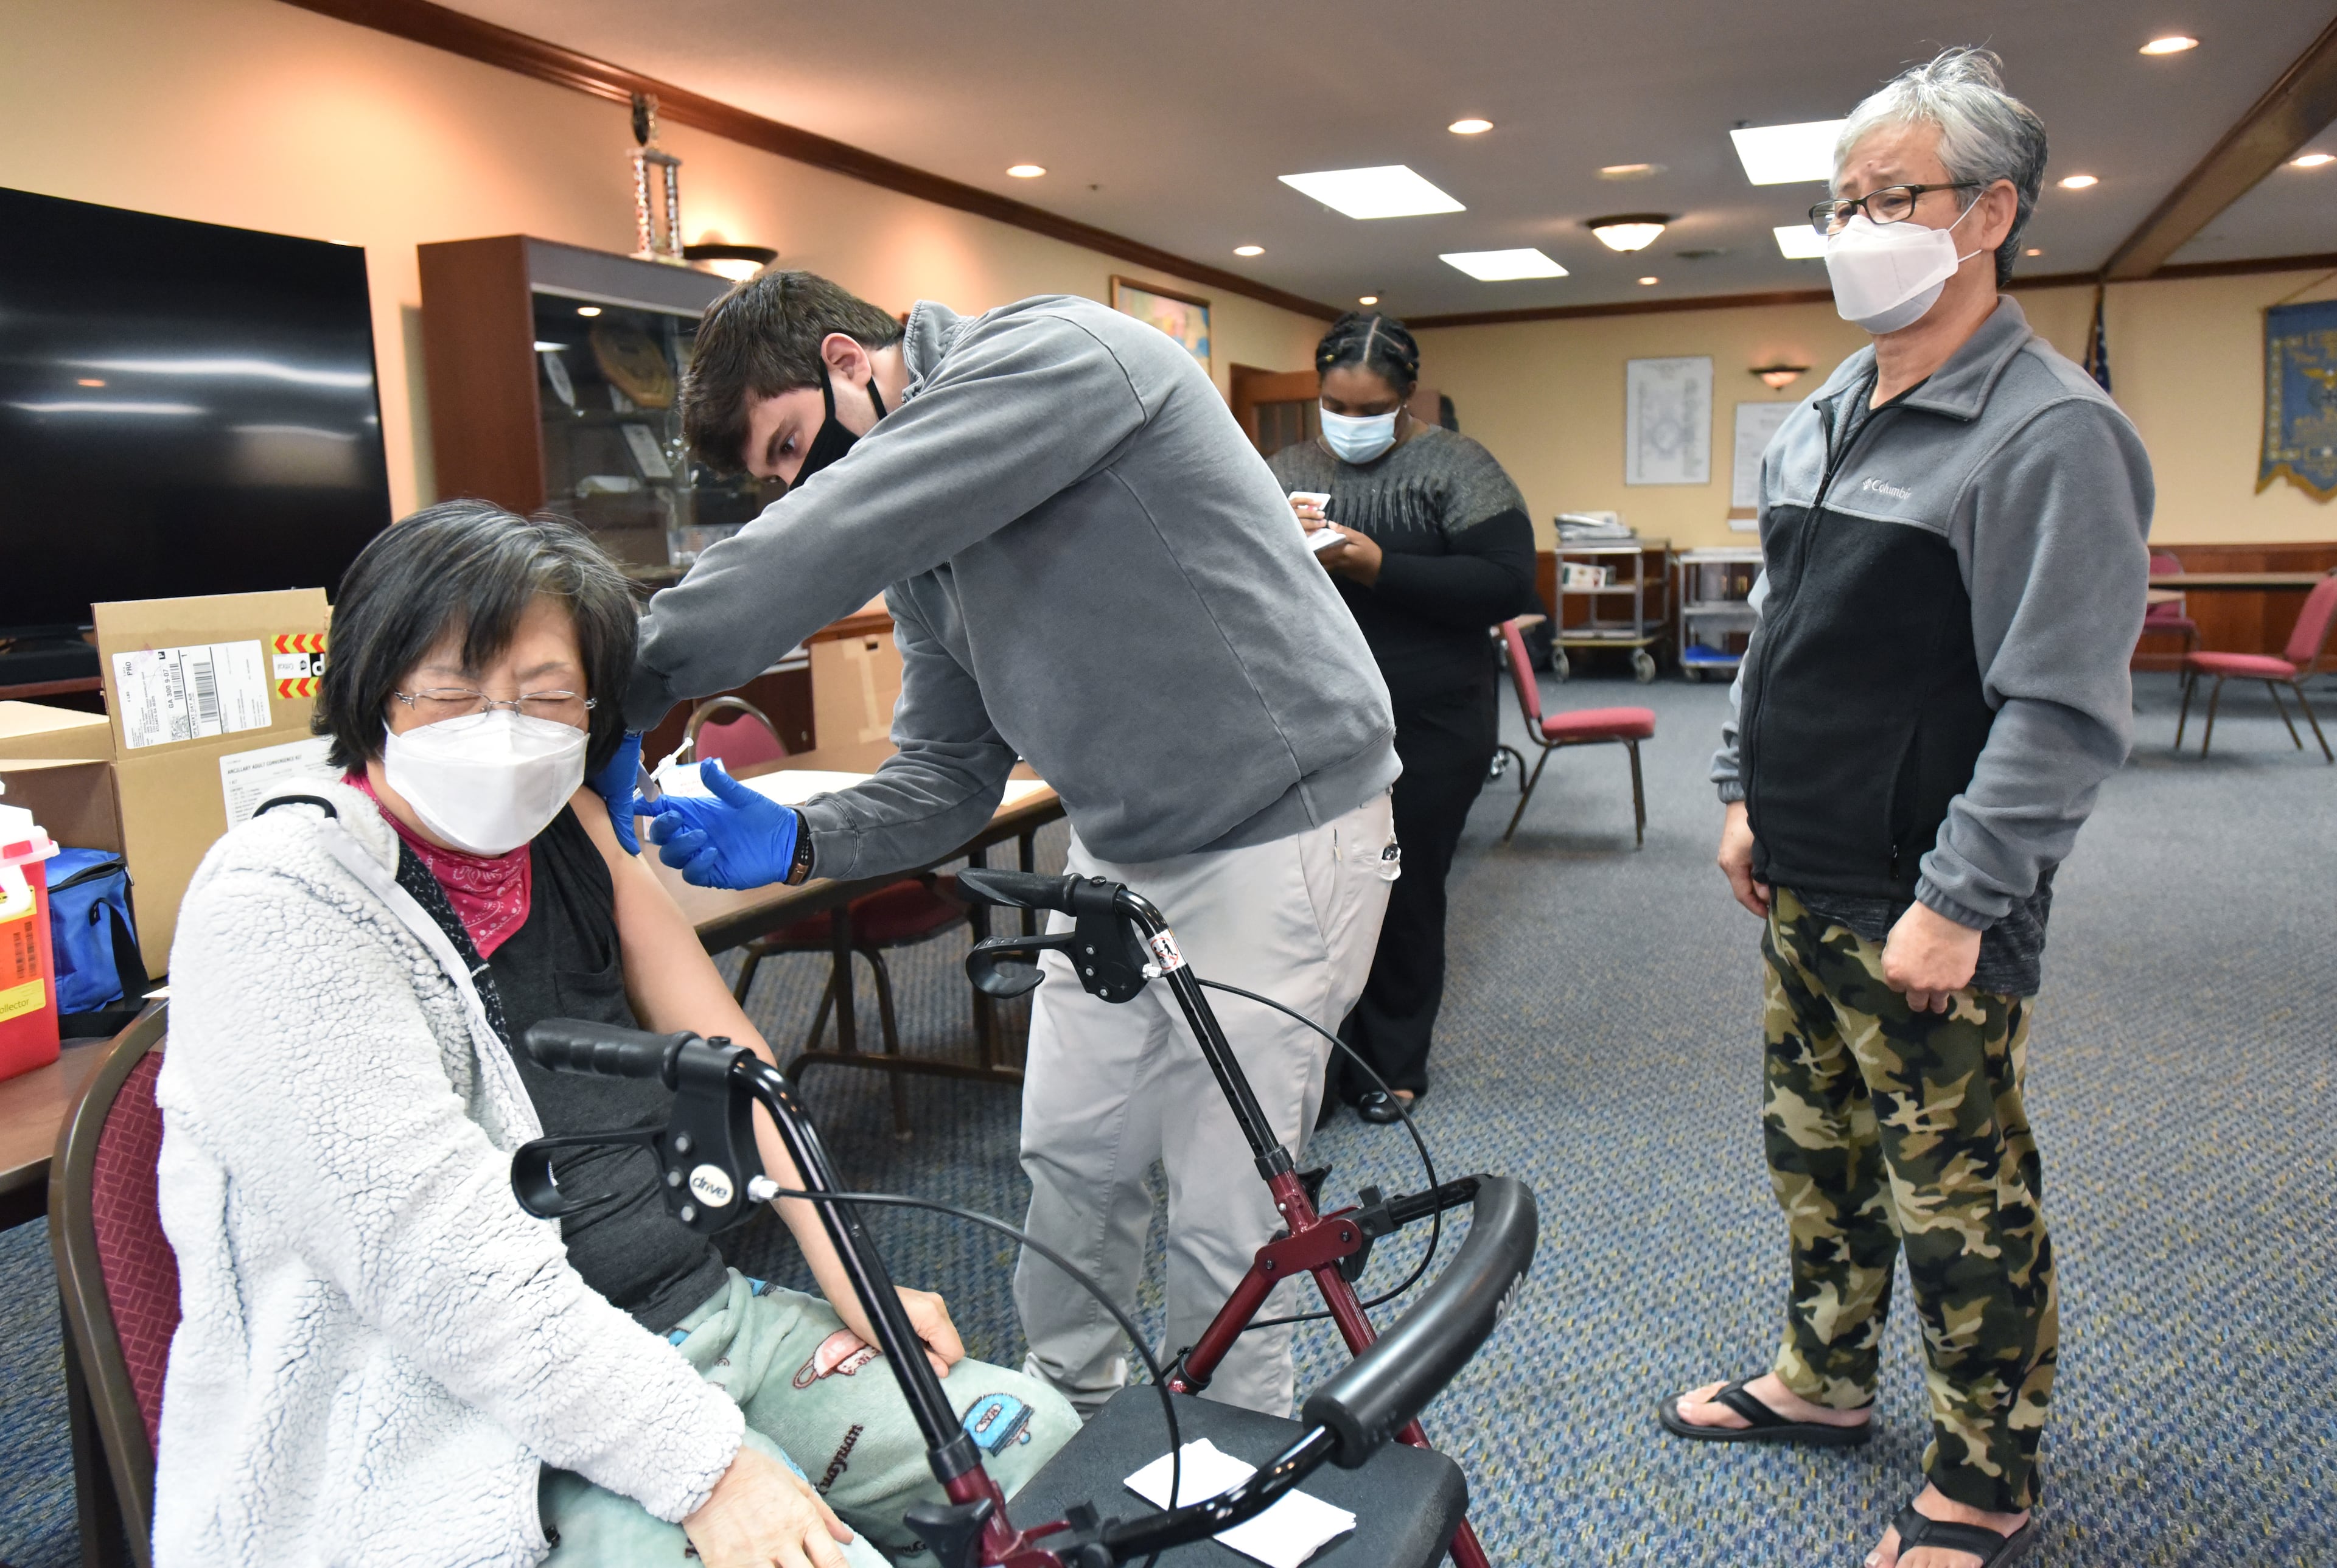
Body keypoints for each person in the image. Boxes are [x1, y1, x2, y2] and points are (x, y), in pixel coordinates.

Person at [154, 504, 1075, 1568]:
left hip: (694, 1312)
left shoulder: (575, 828)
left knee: (1038, 1454)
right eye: (453, 690)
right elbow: (442, 1269)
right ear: (372, 686)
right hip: (466, 1413)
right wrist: (711, 1468)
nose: (502, 726)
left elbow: (741, 1071)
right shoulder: (284, 899)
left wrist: (858, 1278)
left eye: (546, 696)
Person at [601, 273, 1399, 1420]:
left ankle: (1233, 1453)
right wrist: (802, 839)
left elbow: (829, 532)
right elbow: (948, 776)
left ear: (845, 360)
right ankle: (1071, 1426)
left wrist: (626, 681)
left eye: (789, 448)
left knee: (1230, 1209)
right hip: (1123, 854)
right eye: (773, 478)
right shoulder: (926, 546)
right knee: (1073, 1162)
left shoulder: (1061, 354)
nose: (799, 484)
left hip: (1281, 829)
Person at [1656, 49, 2153, 1568]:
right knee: (1816, 1156)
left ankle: (1986, 1479)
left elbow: (2062, 710)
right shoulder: (1826, 408)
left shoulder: (2051, 431)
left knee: (1958, 1199)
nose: (1854, 228)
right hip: (1801, 871)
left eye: (1892, 197)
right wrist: (1741, 793)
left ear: (1990, 213)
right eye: (1842, 202)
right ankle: (1821, 1380)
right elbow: (1778, 634)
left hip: (1930, 902)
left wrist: (1958, 900)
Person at [1268, 312, 1537, 1123]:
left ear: (1407, 396)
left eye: (1370, 409)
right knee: (1317, 897)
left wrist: (1377, 564)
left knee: (1403, 887)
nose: (1349, 422)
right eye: (1335, 406)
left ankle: (1393, 1063)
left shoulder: (1457, 466)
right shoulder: (1285, 470)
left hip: (1433, 717)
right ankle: (1318, 1066)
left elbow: (1506, 585)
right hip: (1320, 717)